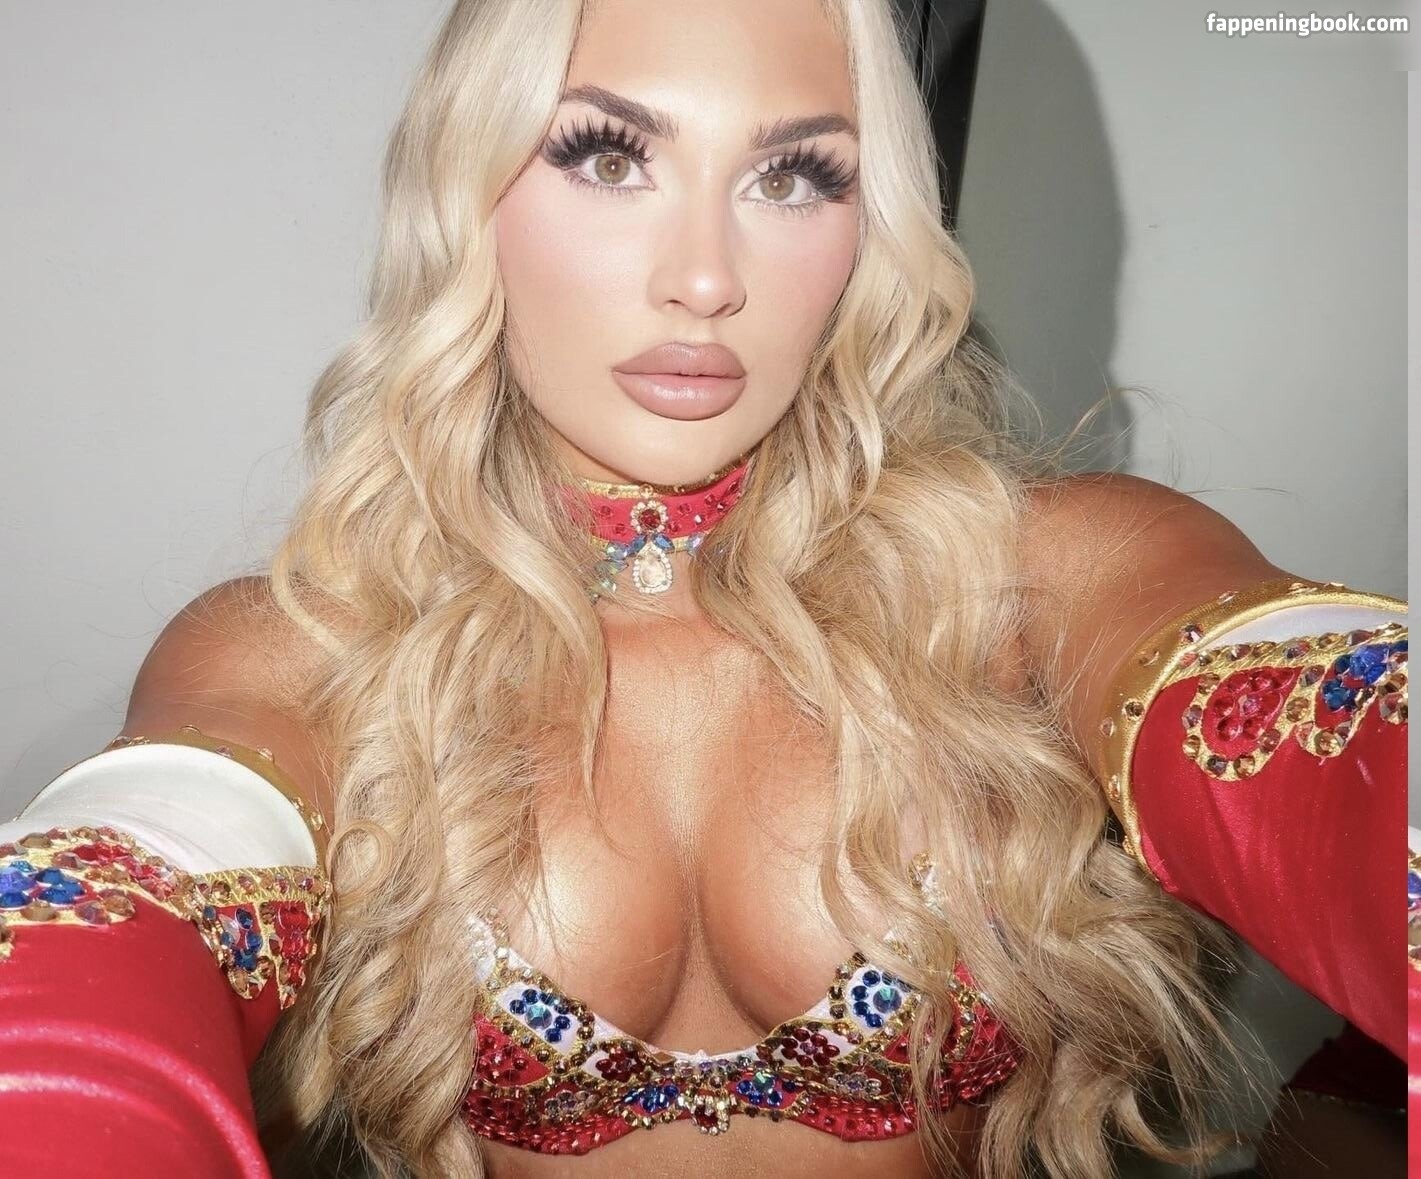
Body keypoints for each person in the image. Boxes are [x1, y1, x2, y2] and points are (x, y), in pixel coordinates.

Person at [0, 1, 1407, 1176]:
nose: (704, 280)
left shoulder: (1043, 581)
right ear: (466, 193)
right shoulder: (299, 654)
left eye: (792, 177)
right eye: (608, 157)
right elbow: (101, 951)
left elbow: (1343, 751)